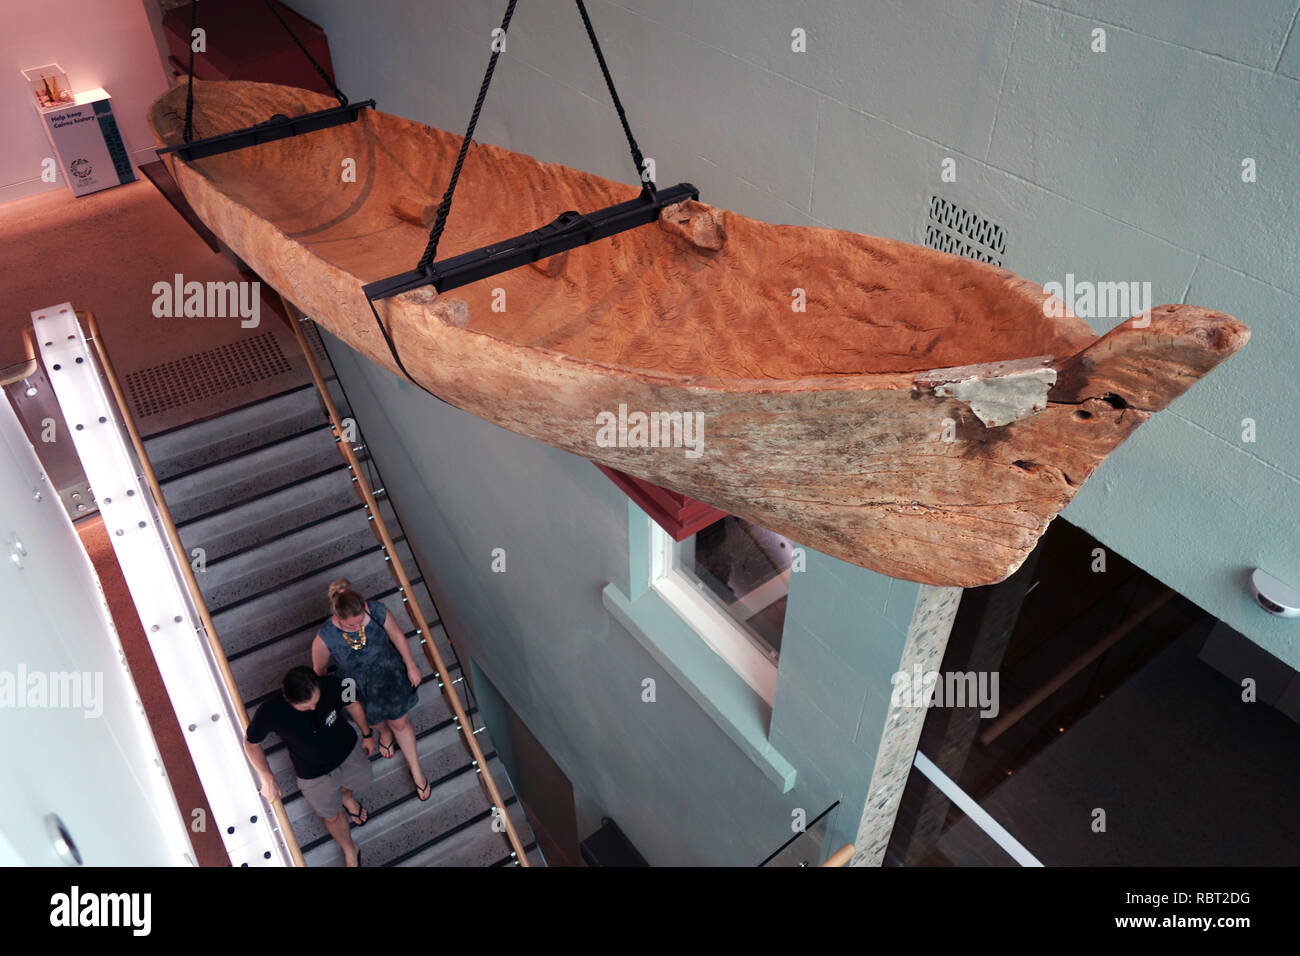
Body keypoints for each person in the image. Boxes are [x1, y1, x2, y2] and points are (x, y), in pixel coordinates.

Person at [244, 666, 374, 867]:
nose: (314, 709)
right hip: (312, 773)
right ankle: (350, 849)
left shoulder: (336, 683)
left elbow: (353, 703)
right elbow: (251, 744)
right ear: (289, 700)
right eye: (306, 707)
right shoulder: (270, 711)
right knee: (331, 817)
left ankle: (346, 797)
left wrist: (366, 734)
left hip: (348, 751)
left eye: (316, 701)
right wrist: (267, 777)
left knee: (360, 781)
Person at [313, 579, 430, 801]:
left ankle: (416, 771)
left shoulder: (376, 611)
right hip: (351, 684)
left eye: (360, 622)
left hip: (388, 673)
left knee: (400, 722)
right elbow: (318, 670)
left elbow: (396, 636)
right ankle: (383, 732)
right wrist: (329, 699)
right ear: (337, 617)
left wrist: (411, 664)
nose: (357, 628)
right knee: (368, 721)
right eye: (350, 626)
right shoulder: (324, 636)